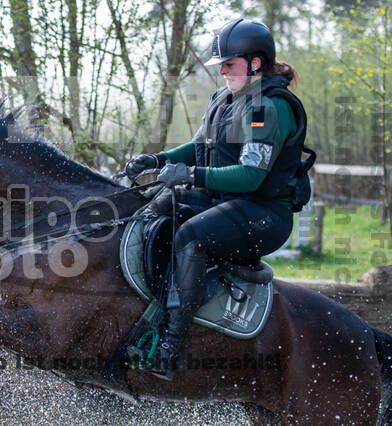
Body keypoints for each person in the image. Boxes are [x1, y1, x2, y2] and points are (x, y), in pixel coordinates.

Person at [125, 18, 308, 380]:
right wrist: (159, 160)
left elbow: (251, 175)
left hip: (265, 213)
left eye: (229, 64)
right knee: (157, 207)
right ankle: (149, 309)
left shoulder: (267, 109)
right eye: (221, 65)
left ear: (255, 63)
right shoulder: (225, 99)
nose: (222, 71)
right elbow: (198, 147)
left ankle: (169, 346)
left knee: (190, 236)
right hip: (226, 201)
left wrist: (191, 176)